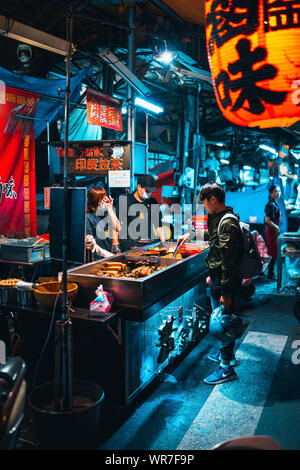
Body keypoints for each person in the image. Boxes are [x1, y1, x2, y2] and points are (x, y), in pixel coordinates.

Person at [178, 182, 244, 385]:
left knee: (223, 322)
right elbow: (213, 239)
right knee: (222, 320)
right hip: (218, 278)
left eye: (205, 203)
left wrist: (226, 291)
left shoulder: (226, 222)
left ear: (213, 200)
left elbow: (228, 262)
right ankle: (227, 356)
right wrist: (191, 235)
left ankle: (226, 368)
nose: (204, 207)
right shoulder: (222, 218)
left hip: (224, 281)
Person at [113, 174, 165, 252]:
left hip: (150, 246)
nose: (149, 194)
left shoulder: (153, 202)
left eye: (151, 192)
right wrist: (115, 244)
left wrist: (163, 244)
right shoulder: (124, 202)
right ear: (139, 187)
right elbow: (116, 225)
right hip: (129, 247)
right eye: (147, 191)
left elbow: (158, 225)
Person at [85, 185, 120, 259]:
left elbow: (117, 228)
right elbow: (90, 243)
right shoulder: (89, 217)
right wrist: (103, 253)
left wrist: (110, 208)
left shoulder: (107, 213)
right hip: (97, 256)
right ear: (96, 200)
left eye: (106, 197)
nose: (106, 200)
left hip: (109, 253)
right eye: (103, 198)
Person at [264, 184, 281, 280]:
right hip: (270, 231)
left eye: (278, 191)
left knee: (273, 252)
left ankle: (270, 273)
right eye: (275, 191)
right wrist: (276, 228)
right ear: (270, 193)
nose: (277, 193)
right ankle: (269, 273)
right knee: (272, 252)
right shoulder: (270, 205)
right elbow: (267, 220)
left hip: (273, 230)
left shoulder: (274, 203)